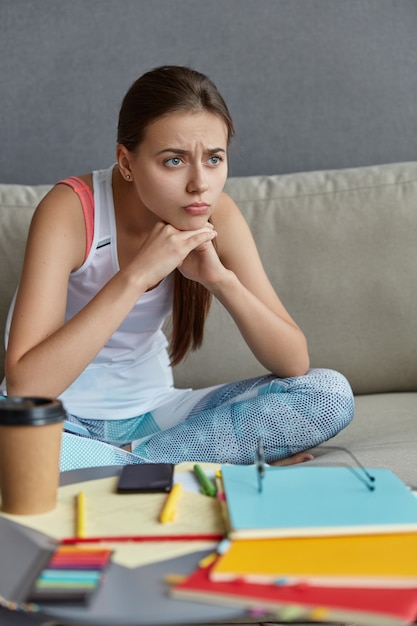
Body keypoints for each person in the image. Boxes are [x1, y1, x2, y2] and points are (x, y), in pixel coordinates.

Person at [2, 65, 354, 472]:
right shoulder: (71, 210)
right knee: (10, 449)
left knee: (327, 394)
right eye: (174, 161)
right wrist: (135, 277)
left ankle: (133, 464)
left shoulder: (217, 212)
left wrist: (220, 280)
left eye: (214, 159)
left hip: (156, 417)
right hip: (55, 421)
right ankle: (186, 461)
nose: (199, 184)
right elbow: (26, 387)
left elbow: (293, 362)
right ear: (126, 161)